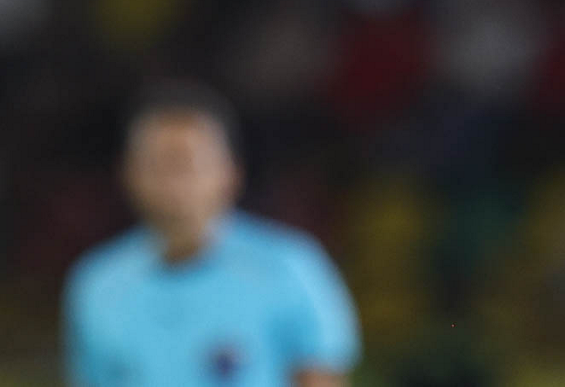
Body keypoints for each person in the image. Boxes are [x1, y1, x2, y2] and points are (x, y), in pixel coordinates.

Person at [63, 82, 360, 387]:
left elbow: (321, 376)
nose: (173, 180)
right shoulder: (97, 283)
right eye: (158, 163)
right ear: (128, 174)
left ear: (230, 172)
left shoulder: (288, 267)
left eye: (187, 163)